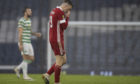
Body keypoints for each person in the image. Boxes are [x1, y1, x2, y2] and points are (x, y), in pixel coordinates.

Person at [42, 0, 73, 84]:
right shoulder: (60, 12)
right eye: (68, 9)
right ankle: (57, 82)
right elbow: (64, 26)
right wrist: (67, 17)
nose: (68, 11)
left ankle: (47, 74)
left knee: (64, 60)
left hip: (53, 38)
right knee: (59, 60)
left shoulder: (53, 10)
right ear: (66, 6)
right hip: (57, 39)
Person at [14, 7, 41, 81]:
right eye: (29, 11)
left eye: (31, 11)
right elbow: (20, 33)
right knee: (25, 59)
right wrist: (21, 44)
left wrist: (36, 34)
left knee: (32, 59)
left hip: (28, 42)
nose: (31, 12)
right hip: (23, 42)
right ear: (25, 12)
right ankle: (25, 76)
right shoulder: (21, 20)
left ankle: (18, 68)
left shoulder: (29, 20)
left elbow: (29, 31)